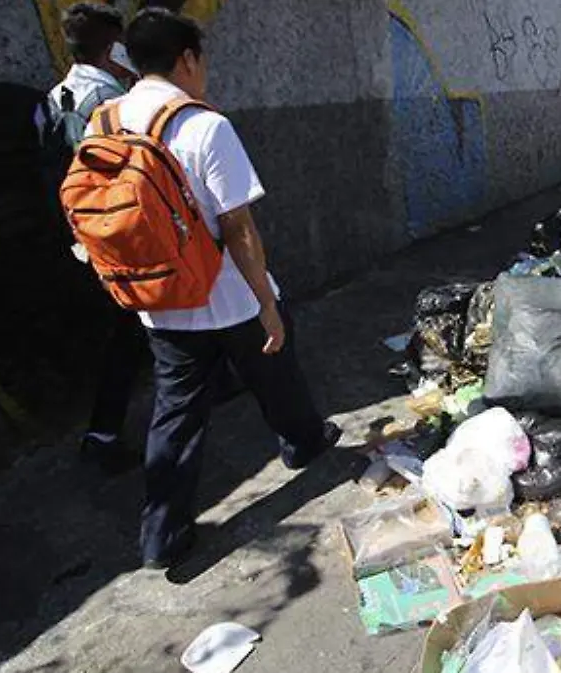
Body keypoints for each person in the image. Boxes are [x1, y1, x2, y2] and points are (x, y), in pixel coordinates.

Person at [109, 8, 339, 568]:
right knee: (275, 365)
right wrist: (267, 303)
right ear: (187, 58)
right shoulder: (203, 125)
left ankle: (161, 537)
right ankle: (303, 443)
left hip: (159, 303)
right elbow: (237, 227)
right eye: (201, 58)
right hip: (227, 297)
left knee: (176, 413)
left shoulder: (107, 119)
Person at [36, 2, 145, 475]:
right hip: (121, 240)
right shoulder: (111, 104)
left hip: (83, 239)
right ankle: (103, 436)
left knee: (136, 332)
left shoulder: (51, 99)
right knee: (132, 335)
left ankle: (220, 377)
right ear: (111, 46)